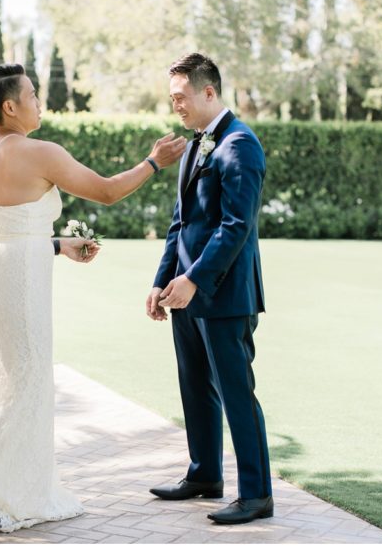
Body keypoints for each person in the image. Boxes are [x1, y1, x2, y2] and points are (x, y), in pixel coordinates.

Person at [0, 64, 186, 532]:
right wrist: (153, 162)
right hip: (22, 281)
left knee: (16, 383)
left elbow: (8, 230)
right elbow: (106, 192)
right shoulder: (37, 151)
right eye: (32, 94)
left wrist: (57, 244)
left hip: (1, 275)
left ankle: (13, 483)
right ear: (10, 106)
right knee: (27, 385)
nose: (39, 101)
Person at [146, 53, 273, 525]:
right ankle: (204, 475)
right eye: (171, 97)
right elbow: (182, 223)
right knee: (195, 386)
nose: (175, 104)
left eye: (181, 96)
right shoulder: (195, 144)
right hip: (183, 293)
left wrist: (195, 278)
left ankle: (257, 494)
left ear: (209, 92)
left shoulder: (240, 144)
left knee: (236, 392)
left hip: (222, 294)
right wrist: (162, 281)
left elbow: (236, 225)